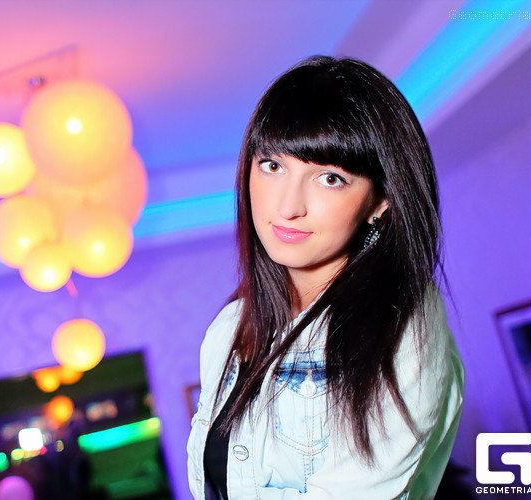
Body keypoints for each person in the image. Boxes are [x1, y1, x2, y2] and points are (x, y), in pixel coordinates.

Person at [186, 55, 465, 499]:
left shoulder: (397, 321)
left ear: (380, 201)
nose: (288, 206)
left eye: (330, 178)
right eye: (273, 166)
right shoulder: (229, 328)